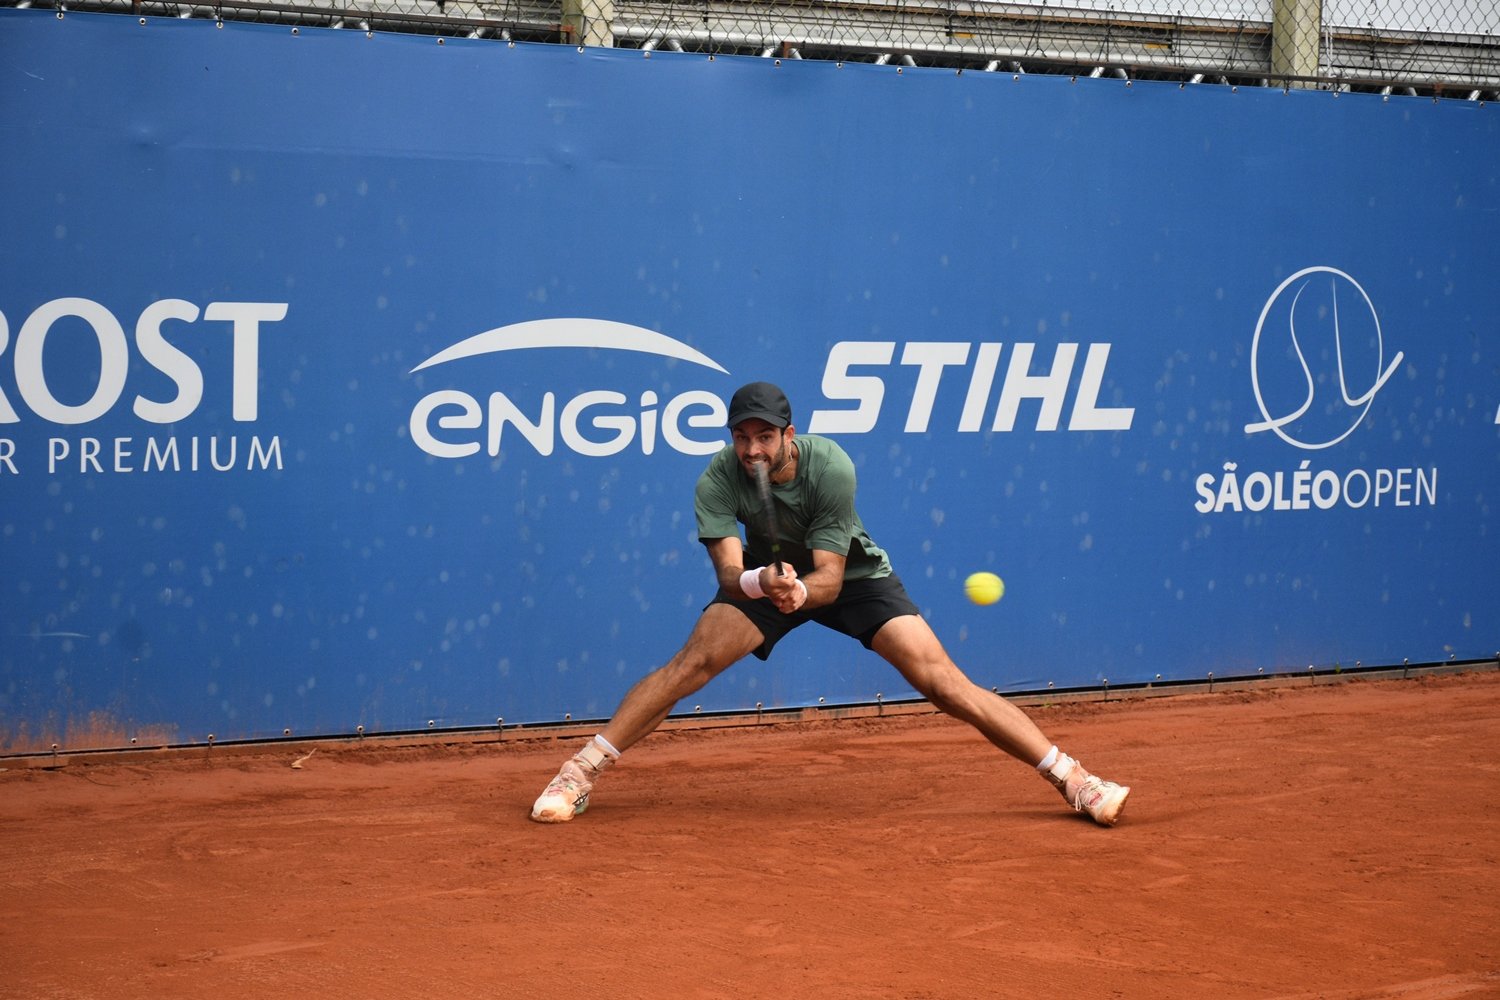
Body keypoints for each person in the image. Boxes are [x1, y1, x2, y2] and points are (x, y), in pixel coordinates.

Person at [530, 381, 1131, 826]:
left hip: (853, 577)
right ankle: (577, 773)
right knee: (691, 665)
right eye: (741, 437)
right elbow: (729, 573)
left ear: (789, 436)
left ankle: (1076, 780)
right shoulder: (716, 478)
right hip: (761, 581)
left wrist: (799, 589)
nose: (752, 449)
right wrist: (763, 583)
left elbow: (831, 579)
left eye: (765, 436)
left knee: (943, 682)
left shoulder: (830, 467)